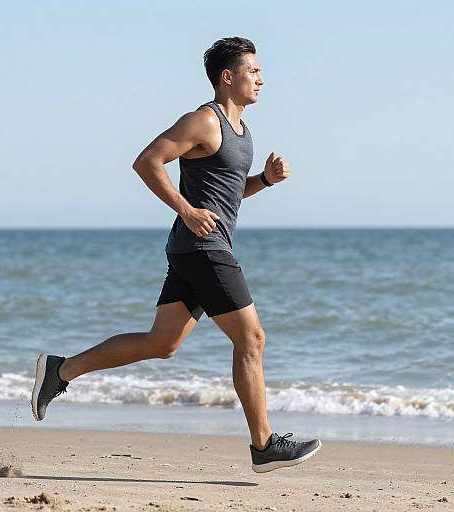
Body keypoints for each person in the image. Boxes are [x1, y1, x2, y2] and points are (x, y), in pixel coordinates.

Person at [31, 36, 321, 473]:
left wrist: (264, 179)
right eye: (254, 71)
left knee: (161, 343)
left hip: (197, 248)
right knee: (252, 338)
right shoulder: (204, 121)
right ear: (228, 77)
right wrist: (185, 210)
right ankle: (263, 445)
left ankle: (60, 371)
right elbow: (147, 161)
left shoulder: (241, 132)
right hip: (203, 248)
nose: (262, 78)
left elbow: (226, 196)